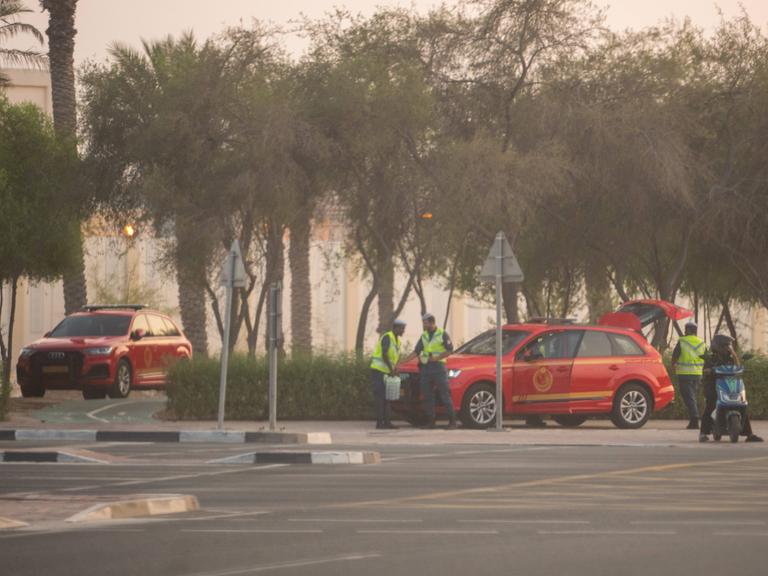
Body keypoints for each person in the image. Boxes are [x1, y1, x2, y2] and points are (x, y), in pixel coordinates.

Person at [699, 333, 763, 443]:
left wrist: (734, 355)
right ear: (717, 346)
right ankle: (703, 433)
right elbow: (705, 370)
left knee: (741, 404)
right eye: (725, 345)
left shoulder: (730, 357)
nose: (727, 348)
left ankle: (749, 434)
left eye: (729, 345)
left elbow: (738, 366)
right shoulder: (711, 358)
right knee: (711, 403)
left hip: (729, 384)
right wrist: (708, 371)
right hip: (713, 384)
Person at [401, 313, 458, 429]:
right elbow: (416, 351)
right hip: (426, 369)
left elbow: (449, 350)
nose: (423, 324)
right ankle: (431, 422)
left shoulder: (442, 334)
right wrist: (403, 361)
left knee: (444, 395)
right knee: (427, 396)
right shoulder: (424, 335)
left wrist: (437, 358)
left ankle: (452, 422)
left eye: (425, 322)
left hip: (438, 368)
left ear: (431, 322)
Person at [369, 318, 407, 429]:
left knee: (387, 397)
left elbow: (395, 358)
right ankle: (379, 423)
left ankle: (387, 422)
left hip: (387, 372)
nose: (403, 331)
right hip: (379, 371)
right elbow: (385, 354)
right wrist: (391, 370)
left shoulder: (398, 341)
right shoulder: (387, 337)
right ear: (395, 328)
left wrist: (395, 369)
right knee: (380, 397)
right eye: (402, 329)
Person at [671, 321, 706, 429]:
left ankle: (695, 420)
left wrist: (673, 365)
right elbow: (707, 357)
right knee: (692, 397)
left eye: (686, 329)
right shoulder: (702, 342)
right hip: (697, 374)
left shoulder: (682, 341)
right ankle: (693, 420)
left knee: (689, 398)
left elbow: (675, 356)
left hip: (685, 374)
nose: (685, 331)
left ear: (688, 330)